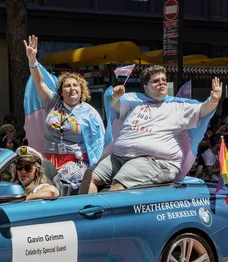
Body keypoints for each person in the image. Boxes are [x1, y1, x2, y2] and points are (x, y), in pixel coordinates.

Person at [85, 65, 220, 193]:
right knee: (89, 176)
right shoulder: (135, 102)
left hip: (156, 161)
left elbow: (203, 110)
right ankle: (84, 215)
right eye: (156, 81)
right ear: (146, 87)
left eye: (164, 80)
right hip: (121, 157)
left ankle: (111, 217)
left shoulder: (178, 106)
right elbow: (115, 106)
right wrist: (115, 96)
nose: (162, 83)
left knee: (118, 184)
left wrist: (213, 100)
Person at [24, 35, 107, 191]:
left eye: (75, 85)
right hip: (50, 161)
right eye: (67, 86)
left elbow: (98, 143)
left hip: (76, 165)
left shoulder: (90, 113)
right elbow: (39, 82)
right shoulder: (53, 102)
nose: (71, 88)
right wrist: (33, 61)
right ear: (61, 91)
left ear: (82, 89)